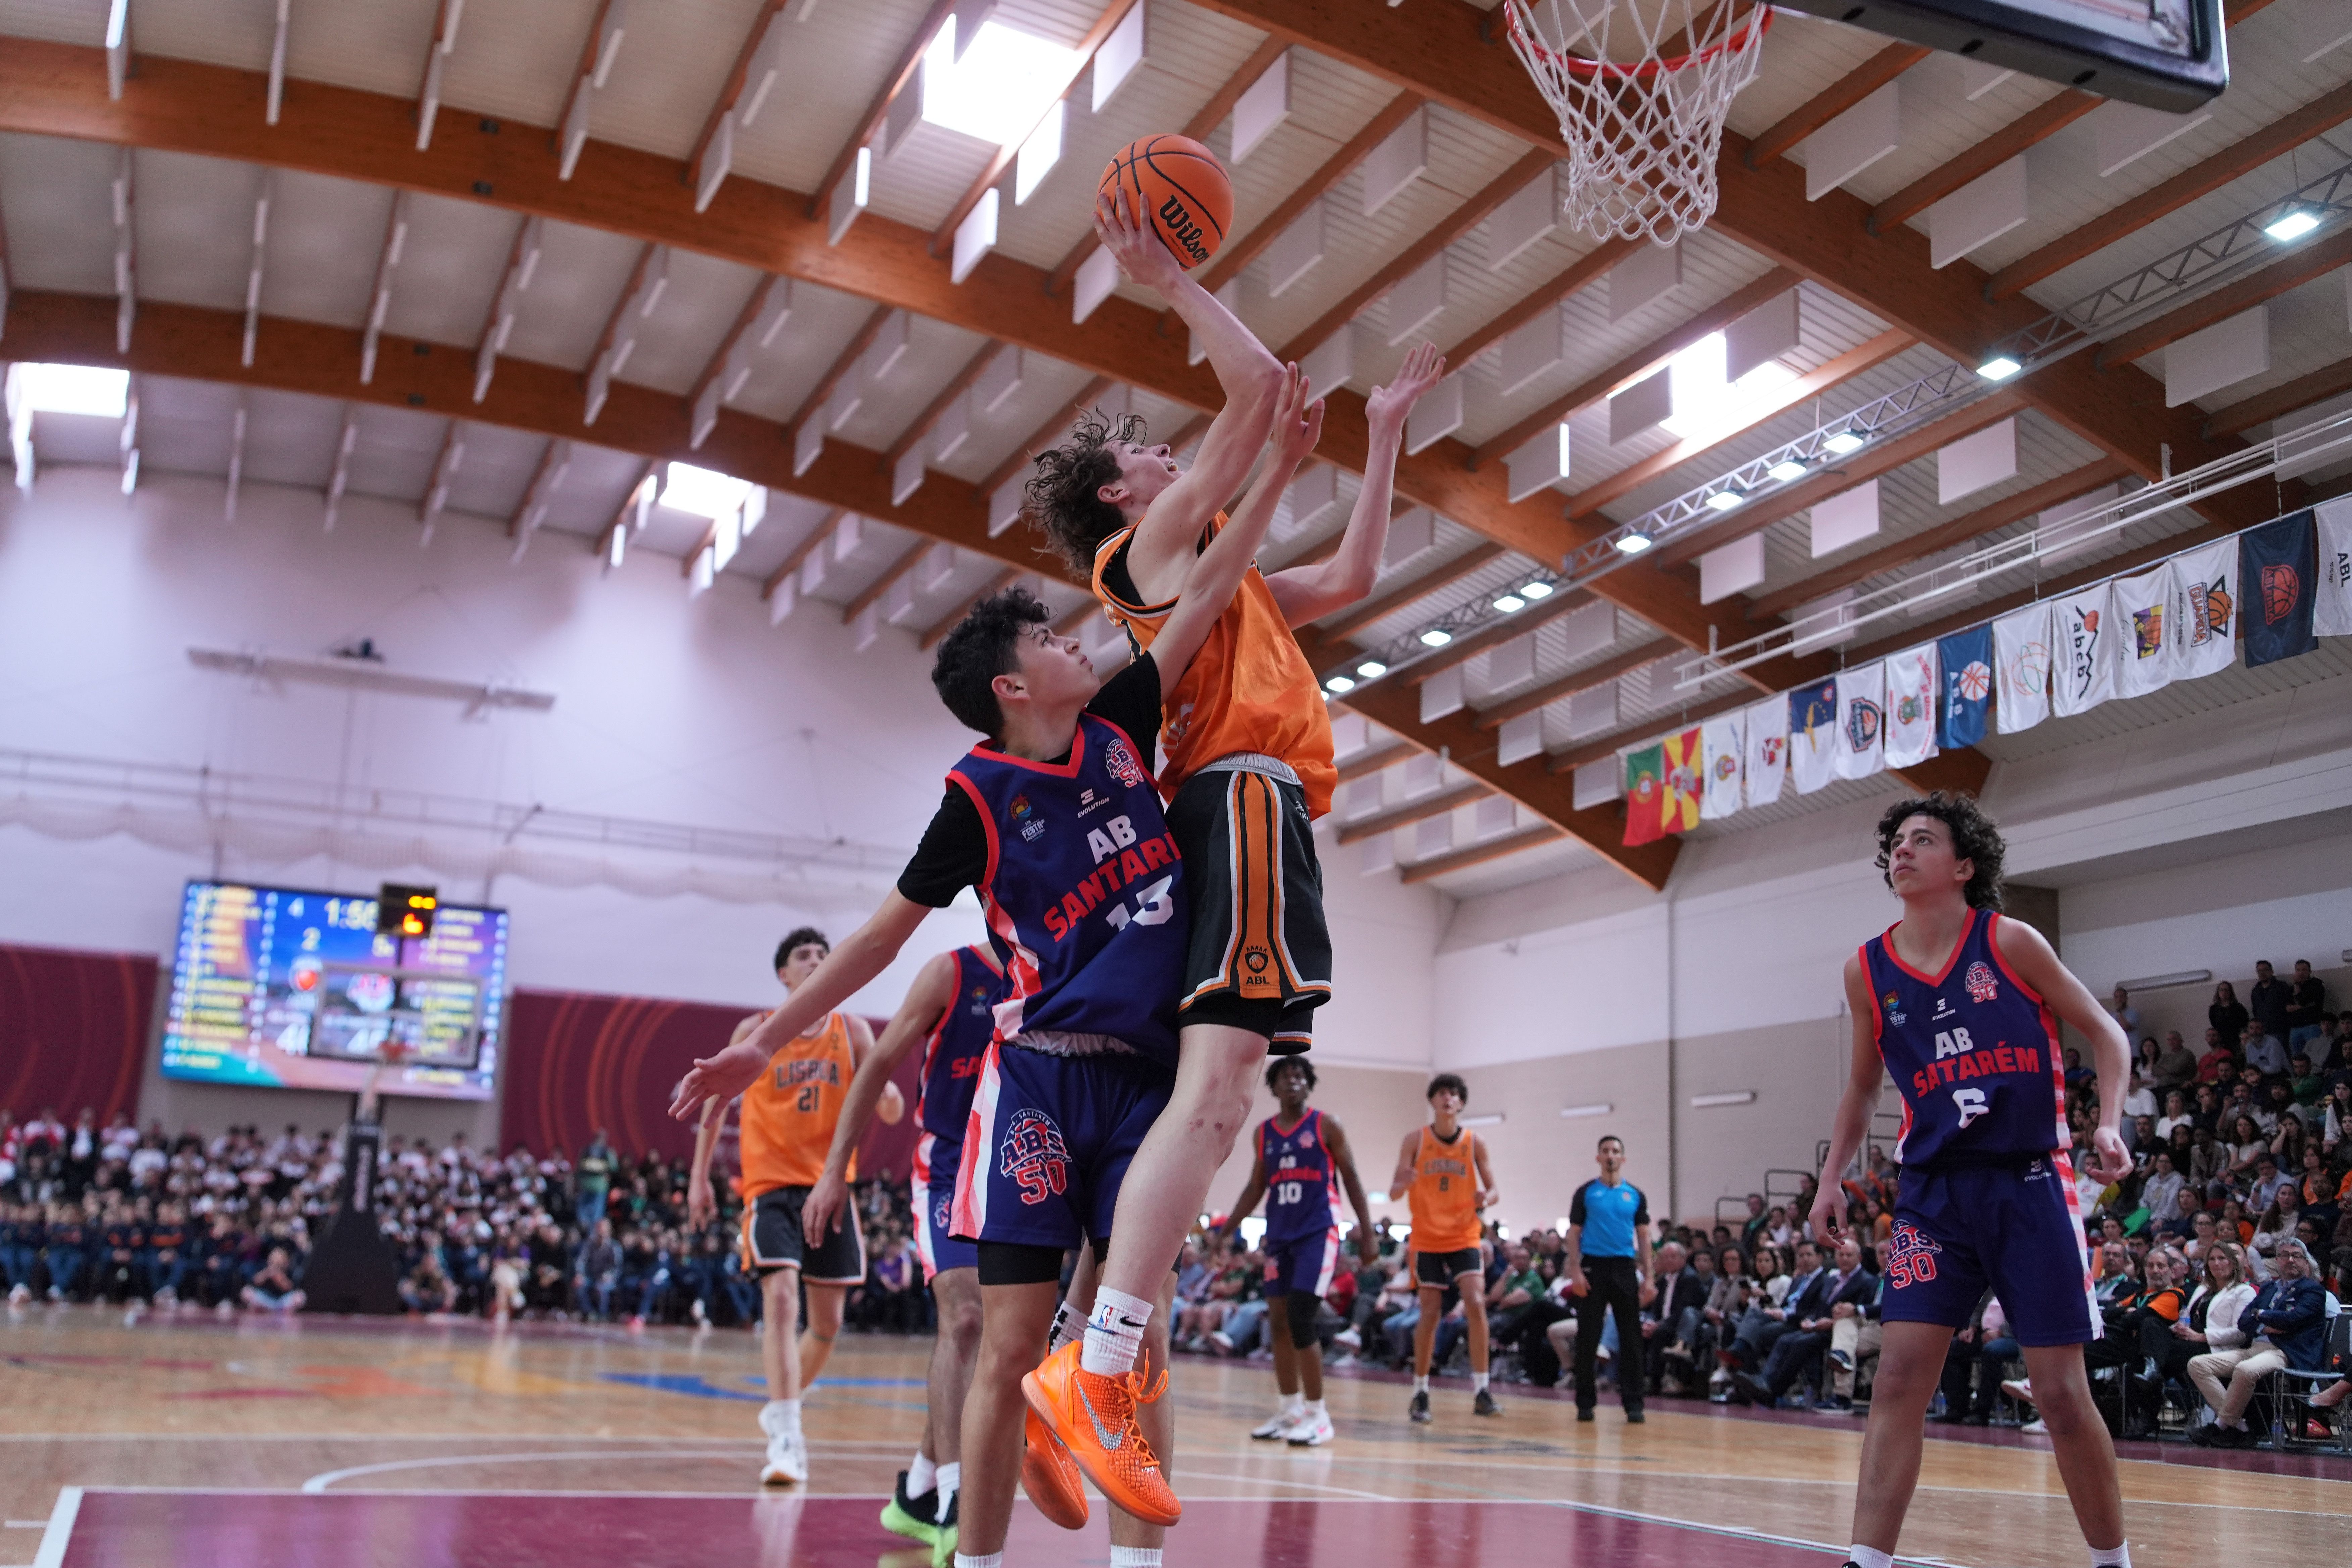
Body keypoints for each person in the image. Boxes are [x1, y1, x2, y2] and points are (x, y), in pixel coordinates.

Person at [674, 364, 1322, 1562]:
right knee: (1003, 1336)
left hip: (1142, 1082)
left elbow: (1216, 587)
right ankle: (972, 1550)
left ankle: (1136, 1559)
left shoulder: (1125, 721)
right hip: (1037, 1084)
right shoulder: (975, 799)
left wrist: (1281, 461)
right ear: (1015, 689)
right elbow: (876, 935)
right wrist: (761, 1039)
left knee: (1146, 1339)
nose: (1078, 638)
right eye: (1048, 638)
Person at [1014, 188, 1447, 1517]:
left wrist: (1378, 442)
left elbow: (1358, 577)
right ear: (1118, 495)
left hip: (1251, 817)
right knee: (1221, 1093)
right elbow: (1255, 384)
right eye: (1147, 452)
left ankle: (1087, 1358)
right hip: (1243, 800)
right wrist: (1167, 280)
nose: (1163, 458)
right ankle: (1092, 1366)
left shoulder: (1226, 576)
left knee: (1216, 1098)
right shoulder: (1137, 561)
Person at [1813, 793, 2134, 1568]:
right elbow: (1862, 1088)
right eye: (1895, 840)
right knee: (1896, 1376)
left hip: (2028, 1182)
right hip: (1931, 1193)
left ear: (1963, 865)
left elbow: (2107, 1031)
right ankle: (1867, 1559)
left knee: (2058, 1392)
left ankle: (2112, 1562)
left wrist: (2111, 1120)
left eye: (1922, 839)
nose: (1901, 849)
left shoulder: (2009, 941)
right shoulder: (1868, 967)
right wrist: (1831, 1178)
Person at [802, 942, 1005, 1557]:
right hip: (945, 1163)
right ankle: (952, 1499)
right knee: (964, 1317)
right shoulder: (951, 971)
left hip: (1013, 1167)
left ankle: (918, 1488)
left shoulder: (1054, 967)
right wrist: (836, 1167)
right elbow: (879, 1062)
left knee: (998, 1341)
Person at [685, 929, 901, 1487]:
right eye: (804, 956)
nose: (816, 961)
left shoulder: (851, 1029)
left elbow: (887, 1100)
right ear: (783, 973)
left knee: (827, 1324)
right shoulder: (755, 1031)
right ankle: (787, 1435)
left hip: (829, 1189)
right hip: (768, 1186)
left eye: (823, 955)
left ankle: (784, 1406)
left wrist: (891, 1095)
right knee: (780, 1297)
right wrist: (698, 1180)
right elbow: (714, 1102)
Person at [1212, 1056, 1376, 1447]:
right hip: (1279, 1237)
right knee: (1279, 1322)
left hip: (1317, 1234)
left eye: (1300, 1075)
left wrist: (1367, 1232)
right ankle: (1290, 1410)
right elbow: (1256, 1187)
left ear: (1309, 1084)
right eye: (1286, 1076)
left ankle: (1320, 1416)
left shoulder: (1326, 1125)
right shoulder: (1264, 1132)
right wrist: (1225, 1232)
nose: (1294, 1081)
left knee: (1302, 1317)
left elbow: (1351, 1177)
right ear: (1273, 1086)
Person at [1389, 1073, 1500, 1422]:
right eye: (1441, 1093)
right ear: (1433, 1101)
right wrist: (1402, 1183)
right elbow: (1393, 1191)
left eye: (1454, 1094)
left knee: (1477, 1301)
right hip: (1427, 1237)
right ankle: (1420, 1392)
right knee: (1430, 1311)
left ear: (1461, 1102)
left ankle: (1482, 1389)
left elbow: (1495, 1190)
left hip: (1465, 1233)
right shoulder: (1415, 1140)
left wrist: (1487, 1197)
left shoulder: (1475, 1141)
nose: (1448, 1098)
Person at [2186, 1237, 2329, 1444]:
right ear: (2277, 1260)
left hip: (2285, 1352)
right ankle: (2240, 1426)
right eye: (2285, 1255)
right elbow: (2244, 1321)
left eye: (2296, 1256)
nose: (2290, 1260)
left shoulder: (2313, 1290)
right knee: (2198, 1364)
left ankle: (2220, 1426)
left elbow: (2292, 1320)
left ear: (2305, 1261)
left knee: (2246, 1369)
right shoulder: (2270, 1288)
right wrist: (2266, 1320)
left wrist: (2260, 1315)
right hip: (2256, 1347)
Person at [1564, 1133, 1654, 1424]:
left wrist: (1650, 1278)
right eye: (1606, 1151)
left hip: (1625, 1267)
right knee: (1588, 1337)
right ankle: (1585, 1403)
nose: (1611, 1155)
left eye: (1616, 1151)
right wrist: (1576, 1270)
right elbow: (1573, 1233)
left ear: (1623, 1158)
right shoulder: (1586, 1193)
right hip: (1593, 1268)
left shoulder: (1635, 1195)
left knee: (1631, 1338)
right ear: (1599, 1157)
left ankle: (1634, 1403)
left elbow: (1644, 1236)